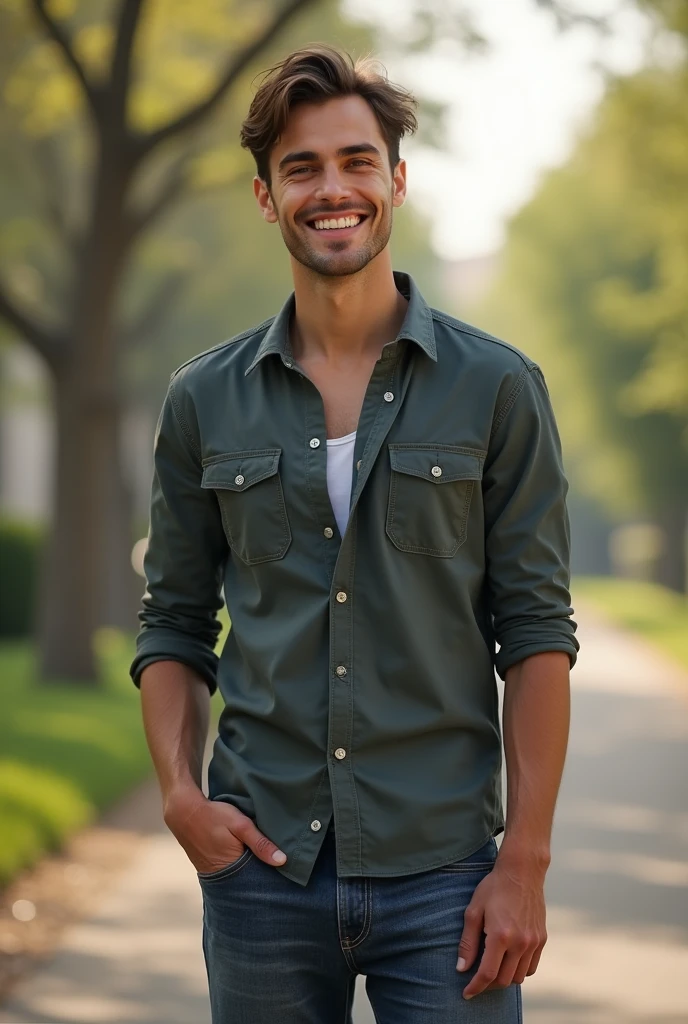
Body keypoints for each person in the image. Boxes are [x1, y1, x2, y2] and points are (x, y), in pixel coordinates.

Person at [130, 44, 579, 1024]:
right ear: (265, 197)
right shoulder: (203, 400)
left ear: (395, 181)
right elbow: (171, 621)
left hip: (448, 878)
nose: (331, 189)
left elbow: (537, 632)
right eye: (301, 168)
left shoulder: (495, 387)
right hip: (261, 875)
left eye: (354, 161)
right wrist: (177, 794)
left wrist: (524, 860)